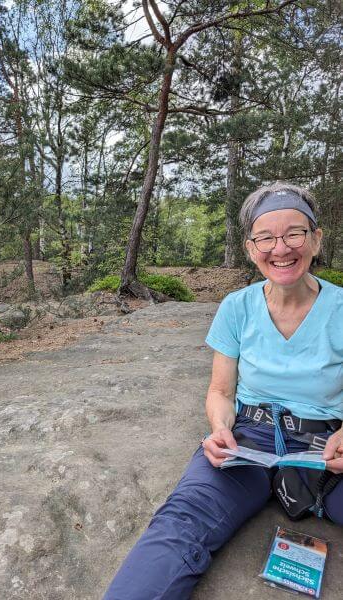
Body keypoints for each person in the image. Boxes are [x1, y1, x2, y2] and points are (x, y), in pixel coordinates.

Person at [103, 182, 343, 600]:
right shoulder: (236, 307)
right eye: (265, 237)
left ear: (316, 238)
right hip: (250, 436)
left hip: (328, 445)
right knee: (182, 521)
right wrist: (220, 429)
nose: (280, 248)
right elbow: (220, 390)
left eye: (294, 233)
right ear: (251, 247)